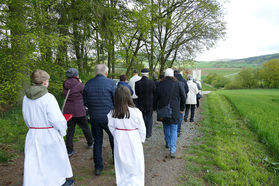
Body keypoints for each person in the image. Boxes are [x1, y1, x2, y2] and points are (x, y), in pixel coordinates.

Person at [22, 70, 73, 186]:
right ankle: (57, 182)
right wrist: (62, 130)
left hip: (33, 134)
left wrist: (32, 128)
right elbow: (57, 119)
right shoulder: (48, 97)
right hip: (49, 134)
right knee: (53, 161)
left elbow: (25, 116)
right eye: (48, 80)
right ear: (45, 82)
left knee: (36, 163)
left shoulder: (26, 98)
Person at [107, 86, 146, 186]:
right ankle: (136, 183)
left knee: (121, 162)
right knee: (136, 161)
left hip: (120, 139)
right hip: (133, 139)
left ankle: (123, 182)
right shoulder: (136, 112)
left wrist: (117, 135)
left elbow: (111, 128)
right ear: (129, 96)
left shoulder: (112, 113)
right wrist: (141, 140)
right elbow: (142, 128)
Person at [83, 64, 116, 176]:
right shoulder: (111, 83)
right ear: (106, 73)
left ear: (95, 72)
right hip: (109, 117)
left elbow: (85, 102)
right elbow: (116, 99)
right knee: (113, 139)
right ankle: (116, 160)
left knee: (97, 141)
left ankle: (98, 167)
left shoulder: (88, 84)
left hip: (94, 117)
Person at [155, 68, 186, 158]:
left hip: (163, 110)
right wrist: (182, 108)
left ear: (165, 75)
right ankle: (173, 150)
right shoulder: (179, 84)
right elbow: (183, 97)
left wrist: (157, 108)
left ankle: (168, 143)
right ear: (173, 75)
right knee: (174, 129)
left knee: (166, 127)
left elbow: (156, 98)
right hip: (175, 110)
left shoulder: (160, 84)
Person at [63, 68, 93, 157]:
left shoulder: (65, 84)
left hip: (68, 111)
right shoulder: (79, 84)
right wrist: (80, 83)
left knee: (70, 130)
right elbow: (85, 93)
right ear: (76, 75)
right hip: (79, 110)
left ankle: (69, 150)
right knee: (85, 127)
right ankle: (90, 143)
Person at [135, 68, 156, 138]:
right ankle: (148, 133)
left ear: (141, 74)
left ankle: (142, 133)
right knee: (149, 118)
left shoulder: (137, 83)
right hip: (150, 103)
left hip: (140, 103)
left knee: (142, 118)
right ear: (148, 74)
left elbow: (137, 93)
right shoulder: (152, 82)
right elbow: (154, 92)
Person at [174, 70, 189, 137]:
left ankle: (174, 130)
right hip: (182, 101)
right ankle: (178, 131)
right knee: (180, 116)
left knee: (173, 116)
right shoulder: (184, 80)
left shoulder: (173, 80)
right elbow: (187, 90)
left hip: (174, 101)